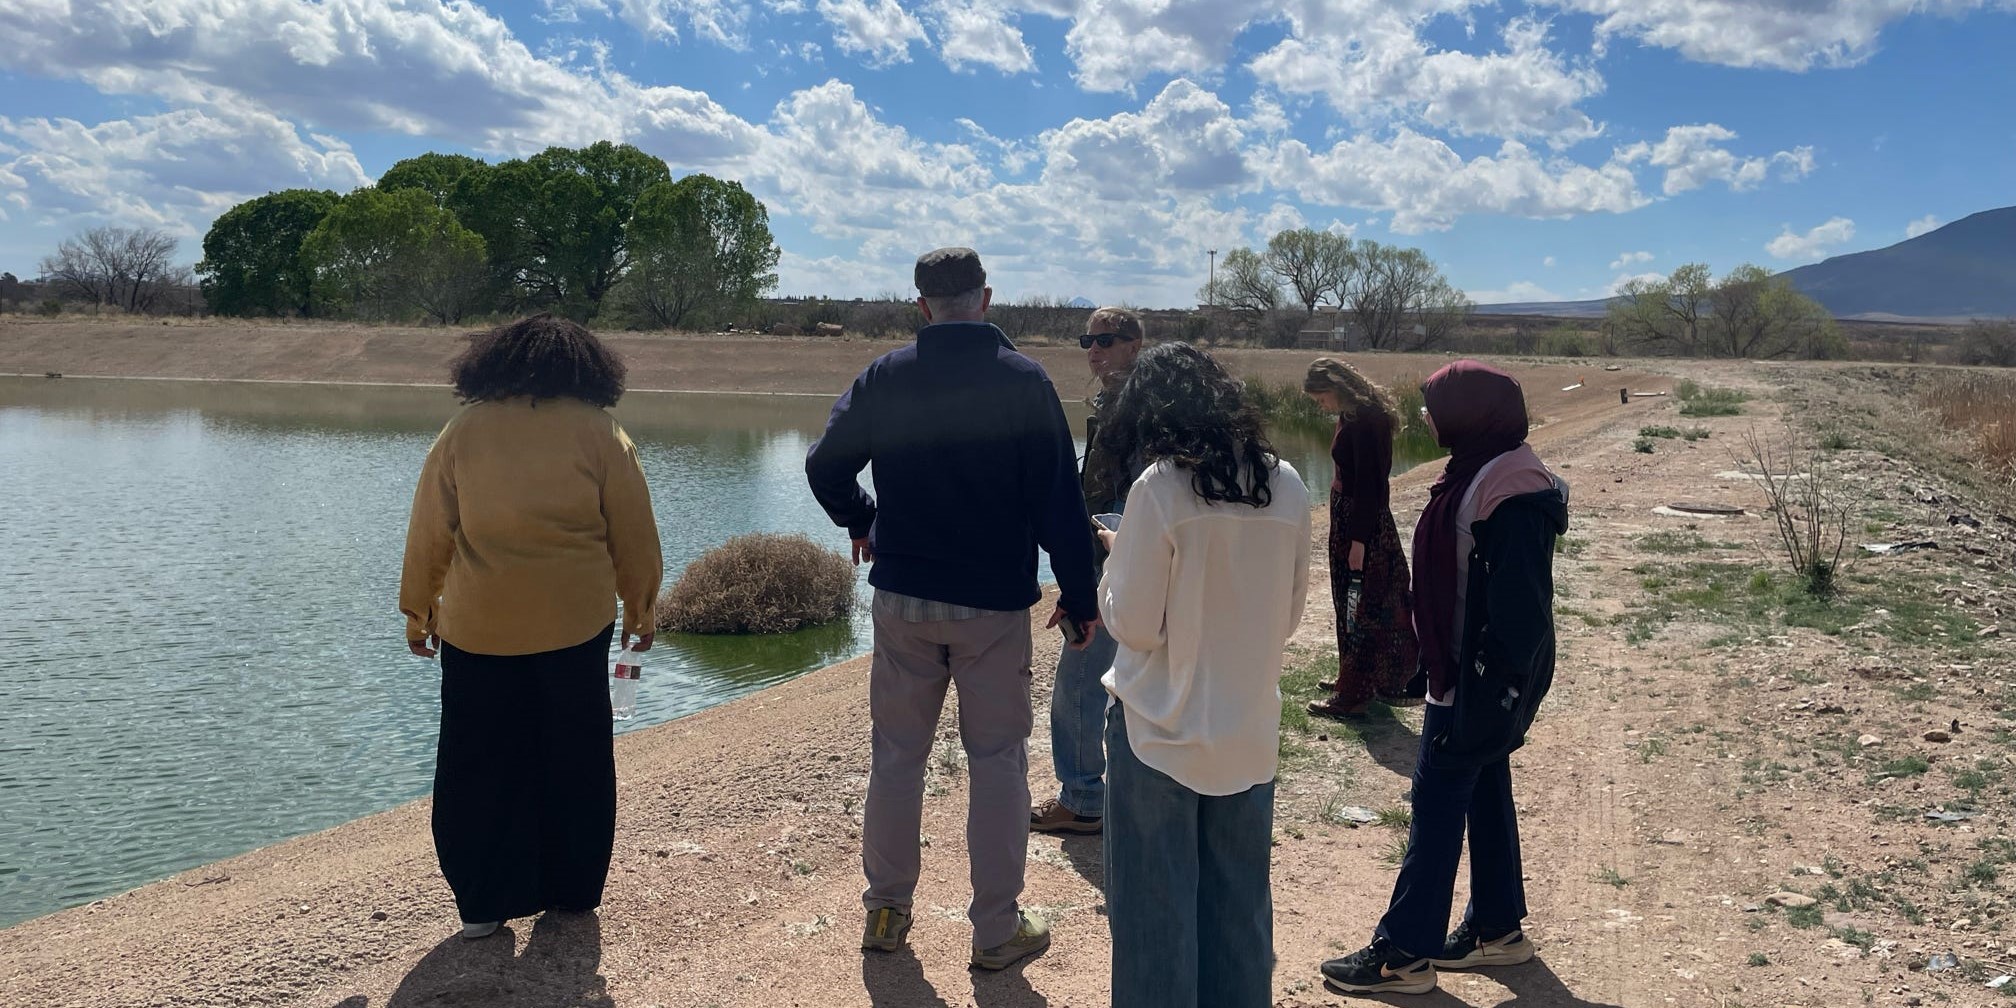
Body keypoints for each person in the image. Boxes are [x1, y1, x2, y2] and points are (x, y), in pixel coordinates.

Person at [805, 247, 1099, 971]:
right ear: (987, 298)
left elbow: (824, 464)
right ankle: (996, 931)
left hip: (903, 597)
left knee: (897, 759)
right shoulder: (1025, 381)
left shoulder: (887, 372)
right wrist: (1081, 593)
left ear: (921, 306)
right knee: (997, 761)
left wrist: (861, 518)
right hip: (992, 607)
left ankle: (886, 912)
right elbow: (1059, 501)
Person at [398, 314, 663, 940]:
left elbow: (430, 532)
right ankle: (571, 893)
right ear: (587, 368)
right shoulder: (602, 433)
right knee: (575, 757)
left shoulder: (463, 431)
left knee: (475, 764)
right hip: (575, 625)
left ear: (492, 363)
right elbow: (635, 536)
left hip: (476, 629)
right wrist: (641, 610)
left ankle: (482, 906)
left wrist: (419, 612)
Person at [1320, 360, 1569, 996]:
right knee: (1484, 789)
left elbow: (1518, 611)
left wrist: (1486, 689)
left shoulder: (1509, 489)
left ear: (1473, 413)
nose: (1426, 417)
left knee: (1435, 806)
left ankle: (1402, 955)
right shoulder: (1489, 465)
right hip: (1465, 676)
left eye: (1437, 406)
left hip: (1473, 682)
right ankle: (1497, 930)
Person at [1096, 343, 1312, 1008]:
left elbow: (1133, 625)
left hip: (1159, 730)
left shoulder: (1159, 489)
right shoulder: (1291, 484)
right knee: (1240, 908)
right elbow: (1289, 616)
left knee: (1156, 918)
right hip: (1248, 728)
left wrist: (1112, 555)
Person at [1031, 306, 1146, 837]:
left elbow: (1130, 494)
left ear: (1133, 345)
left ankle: (1082, 800)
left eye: (1106, 340)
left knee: (1079, 680)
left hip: (1115, 559)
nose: (1094, 350)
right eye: (1088, 341)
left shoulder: (1139, 405)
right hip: (1119, 558)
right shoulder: (1120, 400)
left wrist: (1102, 564)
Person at [1302, 358, 1422, 719]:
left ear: (1335, 387)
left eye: (1320, 397)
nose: (1320, 405)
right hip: (1351, 519)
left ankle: (1353, 694)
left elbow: (1372, 485)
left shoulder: (1366, 419)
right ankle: (1350, 677)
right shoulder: (1356, 412)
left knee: (1362, 607)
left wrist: (1358, 541)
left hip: (1360, 524)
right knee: (1350, 601)